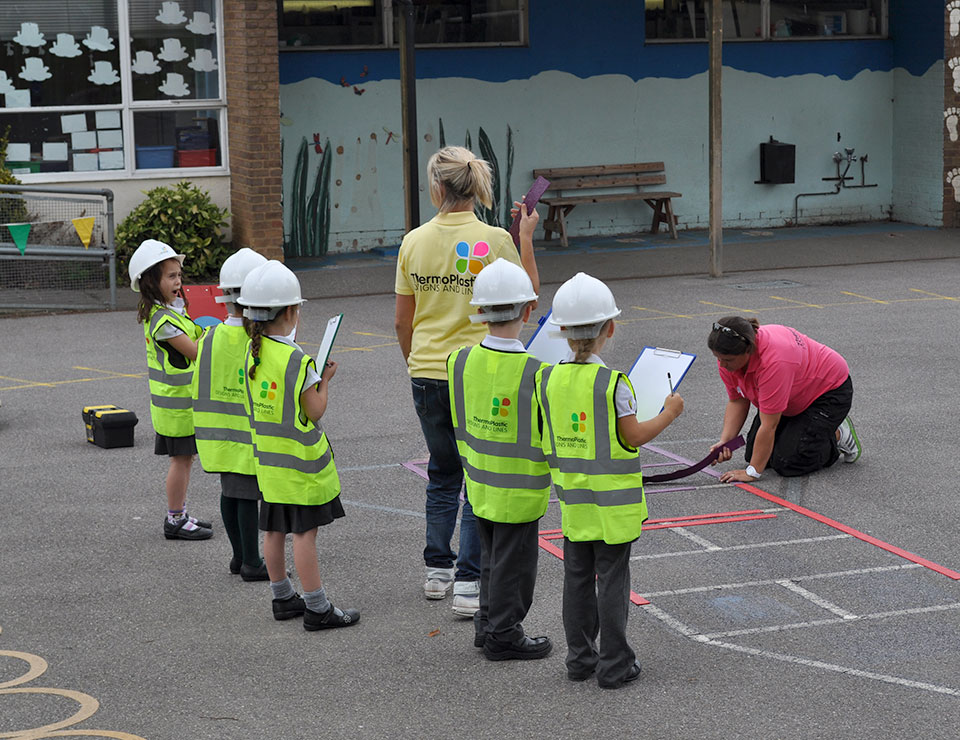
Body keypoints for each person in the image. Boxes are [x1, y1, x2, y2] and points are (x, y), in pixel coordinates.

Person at [394, 145, 539, 618]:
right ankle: (469, 583)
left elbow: (403, 320)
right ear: (475, 185)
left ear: (436, 187)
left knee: (442, 473)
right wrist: (528, 239)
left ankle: (437, 571)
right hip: (477, 373)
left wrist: (416, 361)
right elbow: (527, 298)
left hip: (428, 371)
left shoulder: (413, 240)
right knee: (478, 476)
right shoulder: (497, 238)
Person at [535, 272, 683, 689]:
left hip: (573, 500)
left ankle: (580, 659)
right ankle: (616, 664)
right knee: (613, 582)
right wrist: (669, 412)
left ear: (561, 331)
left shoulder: (546, 378)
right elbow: (633, 436)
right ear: (610, 328)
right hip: (613, 507)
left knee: (577, 580)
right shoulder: (615, 384)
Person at [237, 260, 359, 631]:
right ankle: (317, 607)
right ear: (291, 312)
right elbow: (314, 409)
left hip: (270, 466)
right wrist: (325, 381)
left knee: (274, 531)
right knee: (305, 535)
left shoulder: (252, 353)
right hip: (301, 468)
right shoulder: (297, 360)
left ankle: (282, 596)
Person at [447, 257, 552, 662]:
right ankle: (504, 635)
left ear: (480, 312)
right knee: (516, 569)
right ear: (528, 310)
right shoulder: (538, 373)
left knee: (491, 560)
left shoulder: (458, 361)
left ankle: (488, 624)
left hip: (479, 483)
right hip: (520, 489)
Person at [192, 247, 269, 579]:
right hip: (248, 437)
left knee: (231, 494)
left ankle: (239, 556)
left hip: (218, 435)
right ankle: (252, 561)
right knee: (249, 499)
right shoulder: (257, 340)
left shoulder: (210, 336)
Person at [707, 316, 861, 482]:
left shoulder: (774, 362)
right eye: (718, 358)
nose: (722, 365)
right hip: (793, 394)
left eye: (727, 360)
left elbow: (769, 425)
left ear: (748, 350)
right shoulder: (729, 357)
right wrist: (726, 441)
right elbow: (738, 400)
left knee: (788, 463)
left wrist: (752, 472)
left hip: (827, 393)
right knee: (754, 454)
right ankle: (805, 434)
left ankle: (838, 434)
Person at [129, 238, 212, 541]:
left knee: (185, 459)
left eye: (179, 274)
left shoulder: (171, 310)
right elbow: (195, 352)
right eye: (171, 276)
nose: (179, 281)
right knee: (181, 460)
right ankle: (175, 518)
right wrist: (216, 339)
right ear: (152, 281)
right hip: (176, 409)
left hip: (181, 406)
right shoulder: (163, 320)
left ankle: (179, 514)